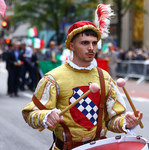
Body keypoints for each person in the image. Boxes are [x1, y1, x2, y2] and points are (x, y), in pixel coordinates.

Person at [22, 20, 142, 150]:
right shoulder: (53, 78)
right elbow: (29, 114)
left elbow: (111, 121)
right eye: (85, 43)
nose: (91, 48)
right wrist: (45, 116)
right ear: (71, 46)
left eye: (94, 43)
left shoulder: (104, 77)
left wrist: (126, 122)